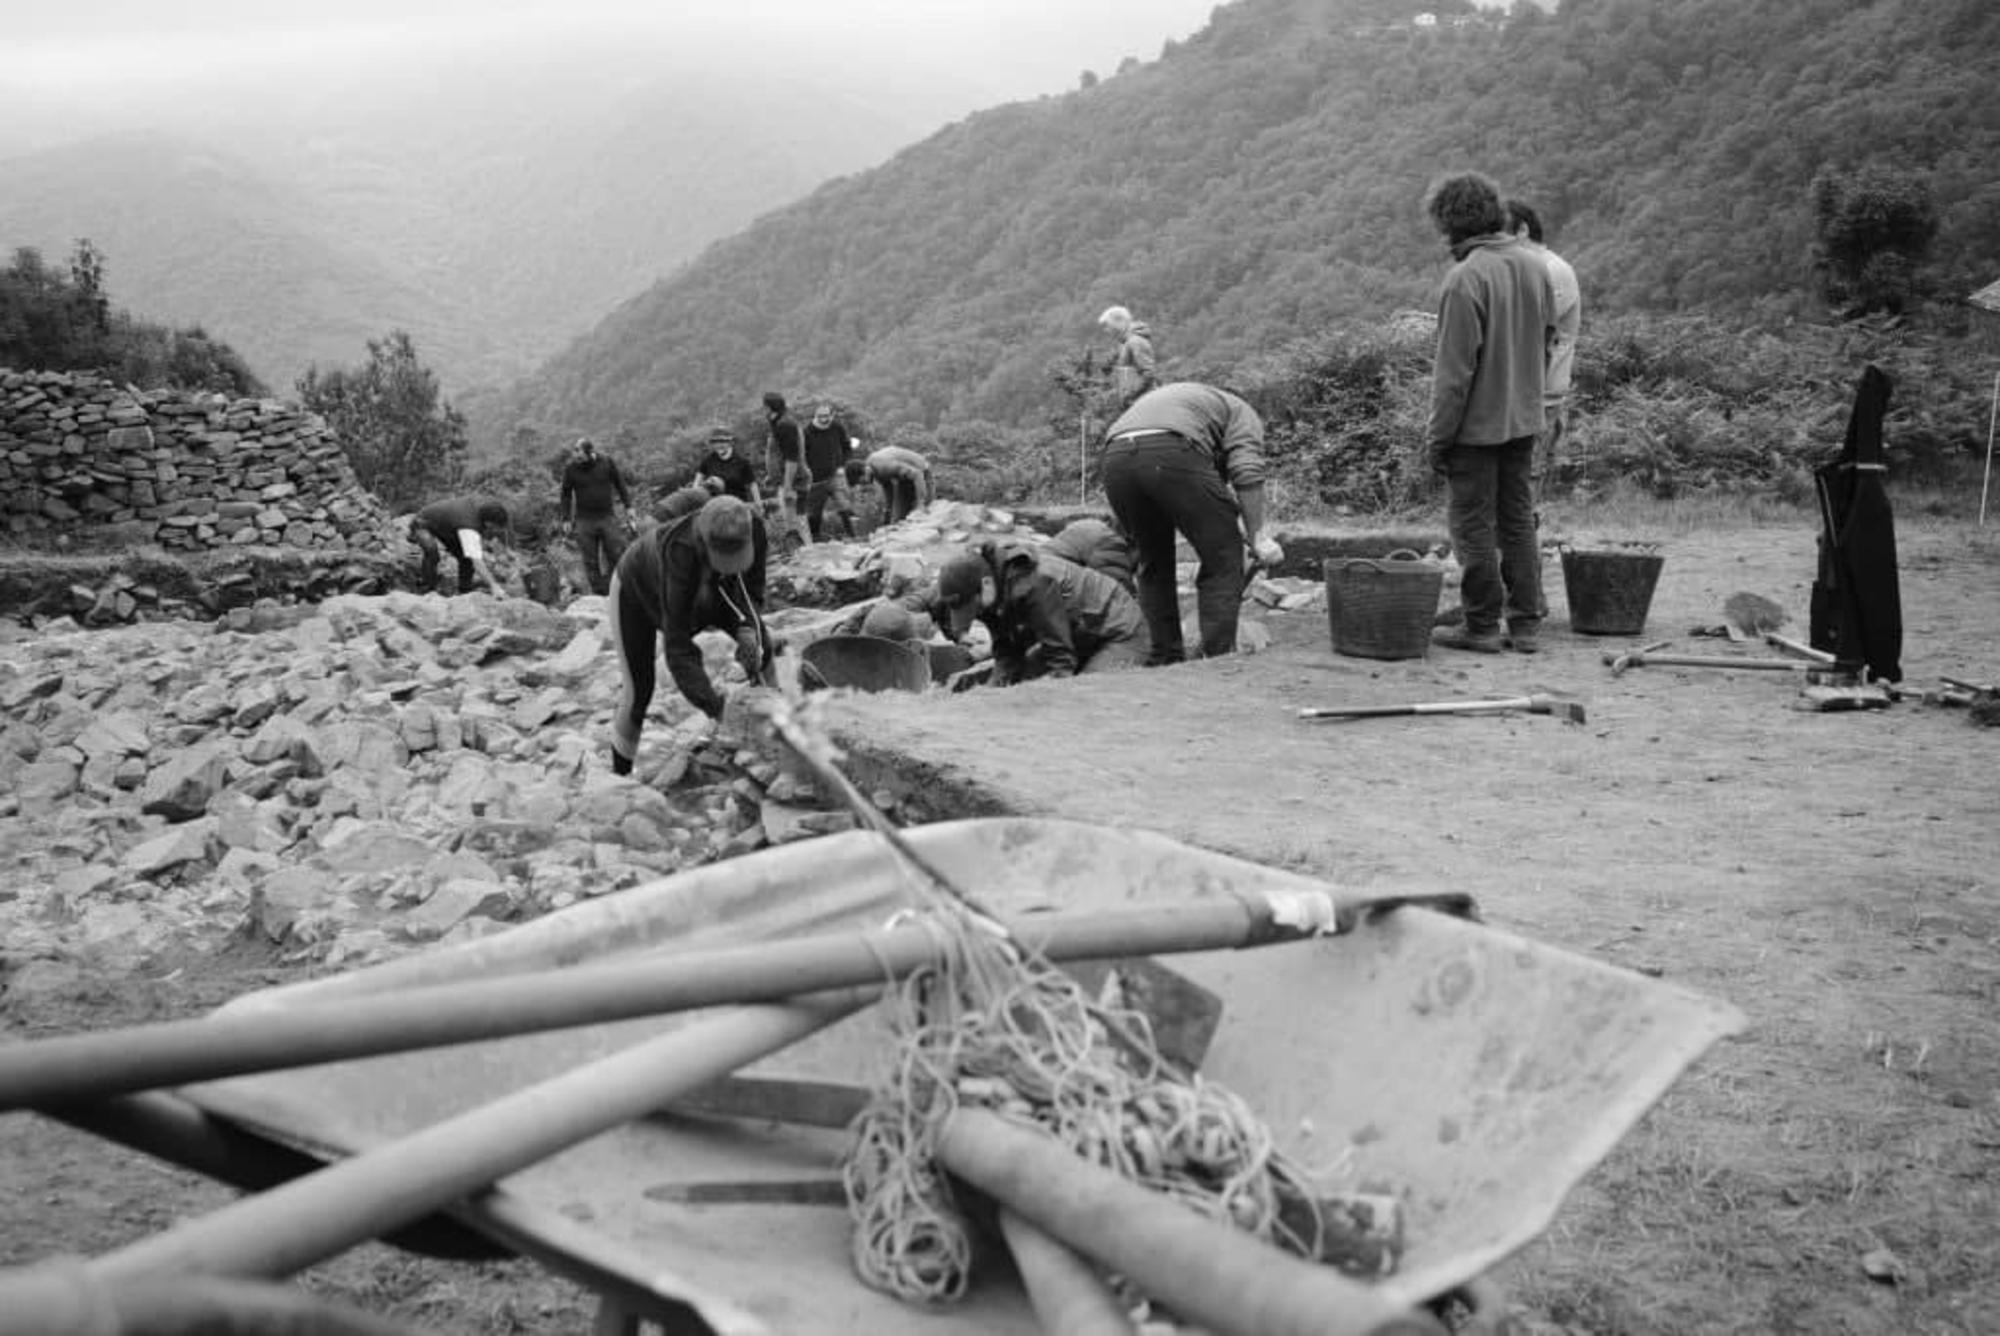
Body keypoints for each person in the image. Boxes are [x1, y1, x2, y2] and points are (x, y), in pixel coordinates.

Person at [1423, 171, 1555, 655]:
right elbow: (1544, 345)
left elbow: (1453, 376)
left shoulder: (1465, 279)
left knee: (1473, 527)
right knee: (1518, 521)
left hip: (1475, 430)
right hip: (1524, 419)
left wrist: (1437, 439)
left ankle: (1480, 624)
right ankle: (1525, 623)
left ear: (1449, 223)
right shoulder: (1534, 266)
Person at [1100, 382, 1279, 664]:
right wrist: (1257, 536)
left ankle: (1164, 657)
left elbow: (1210, 490)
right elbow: (1246, 470)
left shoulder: (1193, 404)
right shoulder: (1243, 412)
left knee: (1153, 561)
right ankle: (1218, 656)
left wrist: (1235, 520)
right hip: (1170, 452)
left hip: (1115, 459)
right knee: (1223, 556)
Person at [605, 495, 772, 775]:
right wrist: (717, 709)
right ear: (706, 544)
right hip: (637, 592)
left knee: (762, 648)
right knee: (638, 691)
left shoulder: (753, 527)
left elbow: (752, 591)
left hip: (712, 588)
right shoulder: (679, 552)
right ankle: (619, 778)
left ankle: (778, 731)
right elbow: (679, 648)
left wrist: (748, 629)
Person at [908, 541, 1150, 683]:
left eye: (973, 607)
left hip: (1119, 632)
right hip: (1079, 635)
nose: (976, 613)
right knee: (1017, 682)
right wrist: (995, 688)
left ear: (986, 585)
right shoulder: (989, 592)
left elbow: (1060, 660)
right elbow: (1007, 651)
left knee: (1087, 693)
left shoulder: (1035, 584)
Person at [1506, 199, 1581, 510]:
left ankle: (1521, 556)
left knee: (1526, 482)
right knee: (1515, 482)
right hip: (1521, 397)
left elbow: (1536, 335)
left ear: (1522, 230)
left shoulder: (1553, 270)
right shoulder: (1526, 271)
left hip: (1540, 397)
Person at [558, 436, 634, 597]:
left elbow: (620, 484)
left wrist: (629, 507)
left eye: (580, 456)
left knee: (616, 553)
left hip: (607, 517)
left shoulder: (606, 462)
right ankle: (599, 594)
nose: (577, 459)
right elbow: (565, 494)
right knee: (590, 560)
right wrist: (565, 518)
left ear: (590, 453)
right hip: (584, 520)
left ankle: (616, 589)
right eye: (575, 455)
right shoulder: (571, 469)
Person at [410, 496, 512, 596]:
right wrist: (494, 585)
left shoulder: (486, 506)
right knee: (431, 551)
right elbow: (477, 562)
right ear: (488, 522)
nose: (494, 530)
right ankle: (427, 587)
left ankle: (465, 589)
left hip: (448, 527)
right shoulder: (468, 527)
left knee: (465, 557)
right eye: (494, 527)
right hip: (422, 522)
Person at [801, 402, 859, 541]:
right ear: (815, 416)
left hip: (835, 475)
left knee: (844, 505)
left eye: (826, 416)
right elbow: (801, 455)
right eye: (820, 416)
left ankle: (853, 537)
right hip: (815, 480)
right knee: (815, 513)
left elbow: (847, 447)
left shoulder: (837, 427)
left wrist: (841, 465)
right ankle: (815, 540)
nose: (823, 419)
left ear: (831, 415)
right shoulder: (807, 432)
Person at [1044, 517, 1136, 593]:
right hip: (1049, 589)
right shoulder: (1110, 543)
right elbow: (1119, 594)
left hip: (1039, 573)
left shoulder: (1091, 525)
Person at [1098, 305, 1158, 406]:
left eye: (1107, 326)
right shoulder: (1124, 343)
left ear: (1118, 323)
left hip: (1143, 402)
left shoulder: (1136, 342)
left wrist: (1131, 396)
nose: (1106, 330)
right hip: (1134, 402)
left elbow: (1148, 374)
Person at [762, 392, 806, 531]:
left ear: (770, 407)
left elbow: (792, 458)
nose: (763, 409)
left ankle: (805, 551)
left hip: (794, 481)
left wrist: (788, 487)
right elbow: (778, 454)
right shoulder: (778, 423)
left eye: (764, 406)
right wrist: (772, 475)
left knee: (795, 523)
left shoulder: (785, 425)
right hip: (784, 479)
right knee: (791, 522)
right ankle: (801, 550)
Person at [865, 445, 934, 525]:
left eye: (864, 481)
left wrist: (920, 503)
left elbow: (917, 474)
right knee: (901, 518)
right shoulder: (874, 470)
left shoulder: (885, 466)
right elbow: (888, 489)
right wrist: (888, 512)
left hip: (921, 473)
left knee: (922, 516)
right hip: (904, 479)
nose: (866, 484)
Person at [696, 425, 762, 505]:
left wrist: (759, 504)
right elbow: (697, 482)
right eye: (716, 442)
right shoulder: (708, 461)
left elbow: (752, 485)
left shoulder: (742, 462)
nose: (719, 445)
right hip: (715, 505)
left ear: (730, 443)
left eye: (723, 442)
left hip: (737, 505)